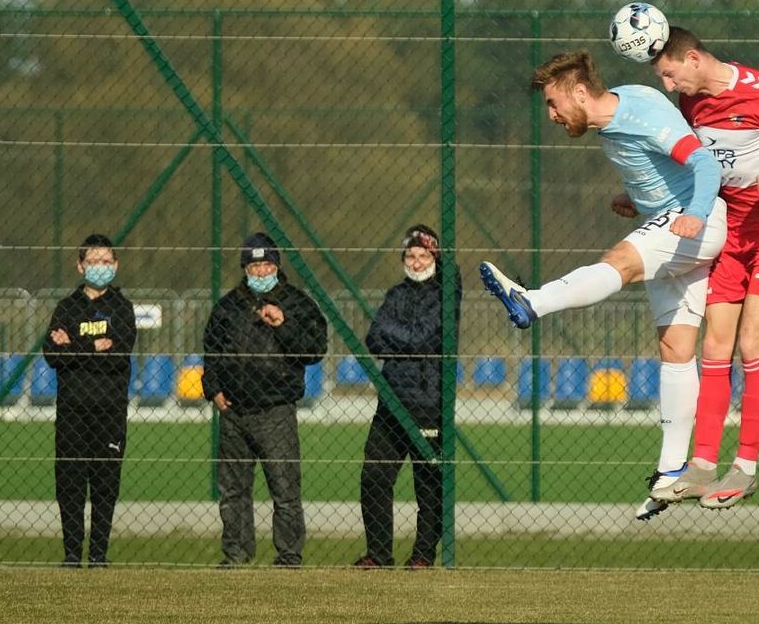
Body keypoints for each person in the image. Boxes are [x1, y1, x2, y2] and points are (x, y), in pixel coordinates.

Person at [478, 50, 726, 521]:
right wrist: (636, 197)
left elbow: (705, 167)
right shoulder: (621, 111)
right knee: (675, 349)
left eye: (553, 104)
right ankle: (672, 472)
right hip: (673, 221)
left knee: (620, 261)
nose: (551, 116)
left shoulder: (639, 114)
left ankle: (532, 301)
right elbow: (661, 167)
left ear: (578, 92)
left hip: (695, 222)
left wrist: (693, 214)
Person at [648, 27, 759, 509]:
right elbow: (695, 168)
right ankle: (703, 464)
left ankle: (745, 467)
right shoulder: (688, 107)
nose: (668, 86)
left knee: (752, 342)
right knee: (715, 342)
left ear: (692, 59)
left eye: (670, 74)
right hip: (729, 229)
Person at [202, 232, 328, 567]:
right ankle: (236, 554)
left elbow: (314, 350)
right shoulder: (228, 307)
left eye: (266, 264)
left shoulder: (298, 304)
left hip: (276, 410)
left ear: (277, 265)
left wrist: (284, 324)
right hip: (233, 411)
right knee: (233, 493)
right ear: (245, 268)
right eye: (254, 265)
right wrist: (213, 389)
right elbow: (211, 353)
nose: (260, 271)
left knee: (285, 490)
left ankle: (288, 555)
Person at [354, 224, 461, 570]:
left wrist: (399, 338)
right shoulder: (395, 294)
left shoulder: (445, 294)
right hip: (391, 400)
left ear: (435, 257)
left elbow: (426, 339)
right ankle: (379, 554)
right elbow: (374, 338)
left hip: (430, 403)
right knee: (374, 476)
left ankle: (423, 557)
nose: (416, 262)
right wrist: (409, 341)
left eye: (423, 255)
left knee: (428, 484)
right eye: (410, 255)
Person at [42, 234, 137, 567]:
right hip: (72, 411)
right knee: (69, 484)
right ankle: (71, 555)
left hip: (109, 411)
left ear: (116, 265)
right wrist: (93, 346)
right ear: (80, 265)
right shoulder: (66, 307)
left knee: (105, 484)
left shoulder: (122, 308)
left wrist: (74, 346)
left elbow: (119, 352)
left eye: (106, 261)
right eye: (93, 261)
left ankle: (98, 555)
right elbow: (52, 355)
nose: (101, 267)